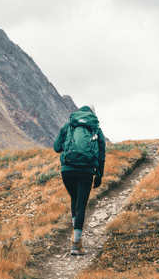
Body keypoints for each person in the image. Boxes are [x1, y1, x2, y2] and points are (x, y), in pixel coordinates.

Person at [54, 104, 106, 255]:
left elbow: (57, 147)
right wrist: (99, 175)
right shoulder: (95, 128)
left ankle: (76, 239)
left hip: (67, 170)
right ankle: (75, 245)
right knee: (81, 206)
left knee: (74, 199)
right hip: (87, 171)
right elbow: (102, 154)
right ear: (92, 114)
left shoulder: (68, 126)